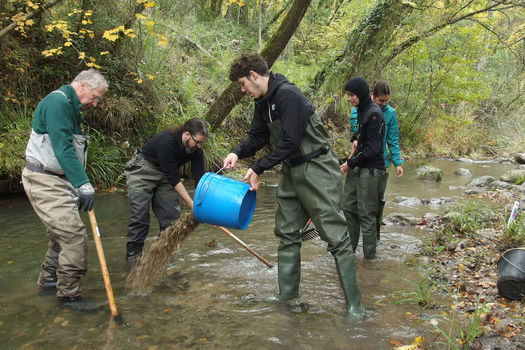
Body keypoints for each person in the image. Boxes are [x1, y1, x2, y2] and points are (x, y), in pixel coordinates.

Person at [222, 52, 364, 321]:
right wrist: (237, 153)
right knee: (287, 232)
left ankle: (355, 306)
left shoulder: (287, 95)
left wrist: (258, 167)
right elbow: (257, 137)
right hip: (291, 171)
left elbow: (289, 141)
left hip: (317, 168)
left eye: (242, 84)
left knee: (336, 237)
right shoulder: (262, 102)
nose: (242, 90)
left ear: (254, 76)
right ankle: (287, 299)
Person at [21, 69, 108, 308]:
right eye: (95, 97)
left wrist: (76, 183)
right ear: (82, 86)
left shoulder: (71, 107)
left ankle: (49, 283)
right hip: (44, 180)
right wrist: (83, 184)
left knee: (60, 237)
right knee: (74, 236)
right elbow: (63, 149)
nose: (96, 103)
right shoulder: (58, 103)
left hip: (59, 180)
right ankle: (69, 296)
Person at [125, 118, 207, 266]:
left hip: (166, 175)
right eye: (198, 141)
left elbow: (200, 179)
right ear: (187, 134)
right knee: (140, 215)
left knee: (171, 218)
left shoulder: (196, 150)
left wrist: (203, 205)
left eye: (202, 143)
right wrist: (190, 202)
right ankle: (133, 257)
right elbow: (174, 178)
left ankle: (161, 255)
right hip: (143, 169)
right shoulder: (166, 141)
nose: (200, 146)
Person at [349, 80, 403, 241]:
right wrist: (356, 139)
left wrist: (397, 162)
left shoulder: (390, 113)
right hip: (359, 161)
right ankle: (352, 240)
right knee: (353, 204)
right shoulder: (358, 109)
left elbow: (393, 139)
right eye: (381, 101)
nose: (383, 104)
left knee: (376, 205)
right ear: (372, 96)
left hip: (380, 164)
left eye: (386, 101)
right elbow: (356, 130)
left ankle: (374, 238)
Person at [340, 77, 385, 260]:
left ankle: (369, 261)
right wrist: (355, 139)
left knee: (367, 215)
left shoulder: (374, 113)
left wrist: (350, 163)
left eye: (352, 95)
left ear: (361, 93)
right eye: (348, 95)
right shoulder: (361, 110)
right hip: (358, 165)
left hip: (371, 169)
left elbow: (374, 149)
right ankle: (348, 255)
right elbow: (362, 133)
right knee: (349, 209)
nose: (349, 99)